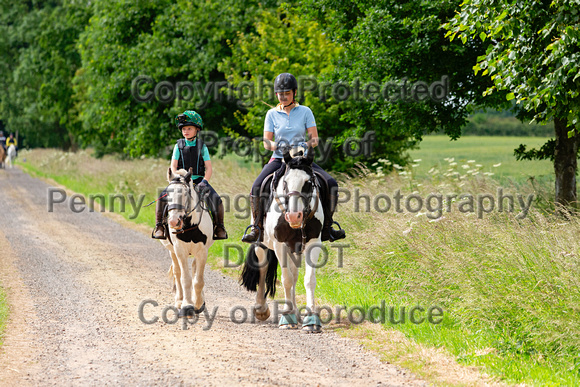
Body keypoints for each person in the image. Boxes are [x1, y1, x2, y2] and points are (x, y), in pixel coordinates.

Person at [242, 73, 346, 243]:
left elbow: (315, 139)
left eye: (287, 93)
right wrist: (280, 147)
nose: (283, 97)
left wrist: (303, 146)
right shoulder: (271, 114)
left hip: (302, 160)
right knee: (256, 187)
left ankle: (328, 226)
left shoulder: (305, 112)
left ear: (294, 92)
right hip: (278, 159)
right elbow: (266, 142)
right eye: (280, 94)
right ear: (276, 94)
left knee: (331, 183)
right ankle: (257, 228)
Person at [152, 110, 228, 240]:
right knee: (162, 197)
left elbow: (209, 168)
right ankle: (159, 226)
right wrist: (178, 179)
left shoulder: (202, 146)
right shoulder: (178, 146)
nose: (185, 131)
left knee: (217, 200)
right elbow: (173, 167)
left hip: (199, 181)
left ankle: (219, 227)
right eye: (183, 129)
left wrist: (205, 181)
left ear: (197, 129)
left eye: (189, 128)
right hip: (180, 181)